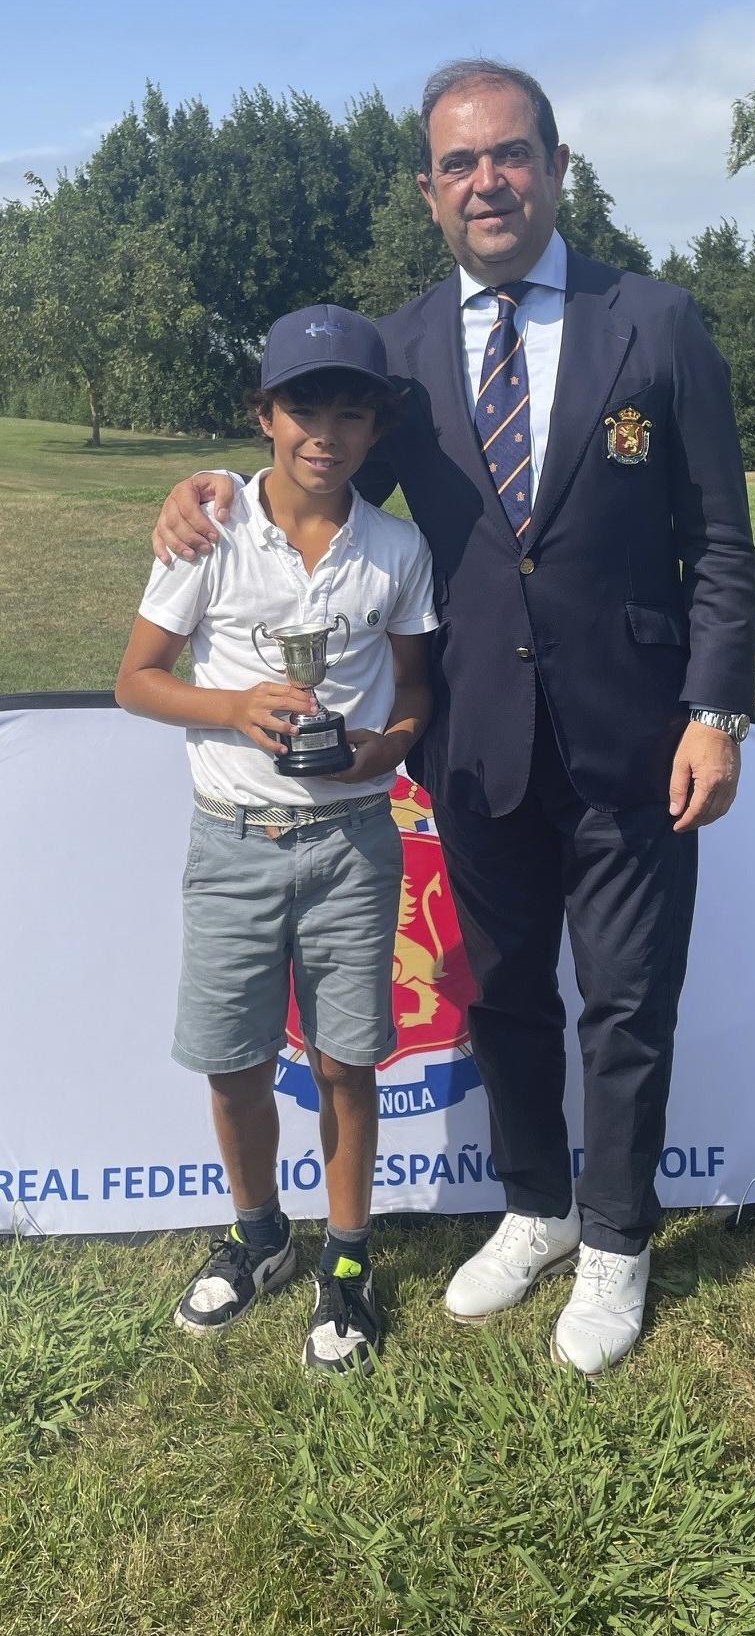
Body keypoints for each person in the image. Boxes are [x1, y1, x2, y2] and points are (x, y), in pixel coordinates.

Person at [151, 58, 755, 1375]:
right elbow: (304, 465)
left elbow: (718, 531)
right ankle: (535, 1206)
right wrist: (201, 486)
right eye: (461, 162)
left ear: (554, 165)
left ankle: (617, 1241)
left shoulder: (656, 321)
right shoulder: (406, 352)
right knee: (500, 998)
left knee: (626, 1002)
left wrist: (718, 707)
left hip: (640, 730)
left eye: (512, 154)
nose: (490, 180)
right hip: (474, 728)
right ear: (430, 190)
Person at [116, 306, 436, 1372]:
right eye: (303, 405)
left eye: (351, 411)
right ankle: (261, 1236)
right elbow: (138, 677)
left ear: (375, 427)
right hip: (234, 842)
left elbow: (418, 689)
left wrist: (383, 747)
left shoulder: (394, 547)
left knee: (347, 1062)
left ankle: (346, 1264)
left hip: (352, 838)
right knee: (234, 1062)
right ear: (262, 415)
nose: (325, 431)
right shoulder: (209, 529)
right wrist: (235, 707)